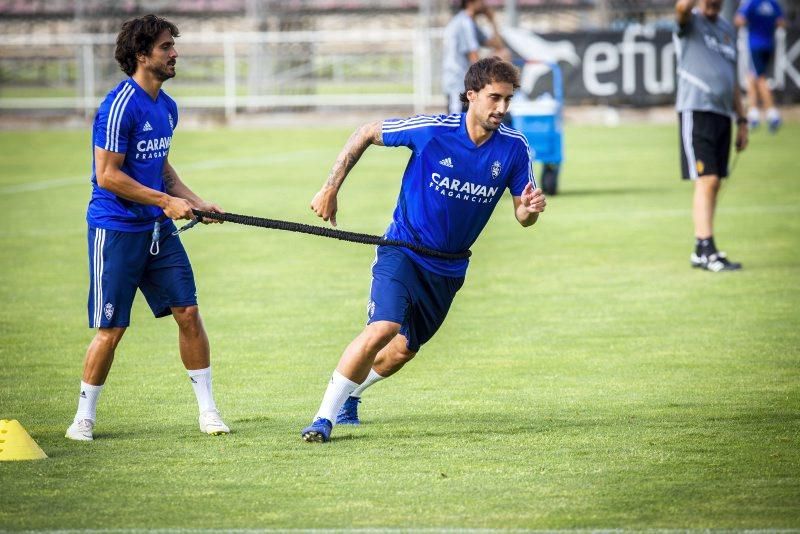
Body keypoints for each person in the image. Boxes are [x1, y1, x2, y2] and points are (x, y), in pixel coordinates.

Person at [301, 57, 546, 443]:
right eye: (494, 98)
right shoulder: (433, 130)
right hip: (403, 249)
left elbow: (522, 213)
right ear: (471, 96)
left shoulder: (514, 148)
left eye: (508, 100)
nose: (501, 108)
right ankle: (322, 419)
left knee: (402, 351)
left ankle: (351, 397)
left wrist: (529, 210)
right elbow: (365, 132)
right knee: (384, 327)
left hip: (449, 269)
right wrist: (331, 187)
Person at [66, 14, 230, 441]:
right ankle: (84, 417)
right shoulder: (120, 105)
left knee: (188, 312)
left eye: (173, 46)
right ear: (142, 55)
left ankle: (208, 411)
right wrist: (165, 202)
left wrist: (195, 201)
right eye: (165, 47)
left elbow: (161, 168)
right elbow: (108, 176)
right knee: (112, 328)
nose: (175, 54)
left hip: (157, 231)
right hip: (116, 230)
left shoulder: (167, 107)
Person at [675, 0, 749, 272]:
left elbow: (732, 80)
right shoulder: (691, 21)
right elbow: (681, 9)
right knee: (708, 179)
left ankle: (700, 248)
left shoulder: (727, 30)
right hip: (696, 110)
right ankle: (707, 249)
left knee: (714, 182)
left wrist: (742, 120)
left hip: (723, 115)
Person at [442, 0, 510, 115]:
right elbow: (474, 59)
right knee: (456, 127)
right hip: (458, 86)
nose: (484, 4)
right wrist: (496, 63)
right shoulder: (464, 23)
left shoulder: (471, 23)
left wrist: (492, 20)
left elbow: (498, 44)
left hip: (468, 85)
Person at [734, 0, 785, 132]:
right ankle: (753, 113)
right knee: (751, 77)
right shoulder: (773, 3)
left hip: (754, 45)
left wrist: (753, 21)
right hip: (769, 44)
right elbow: (781, 22)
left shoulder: (752, 3)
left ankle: (773, 114)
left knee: (759, 78)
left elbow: (739, 20)